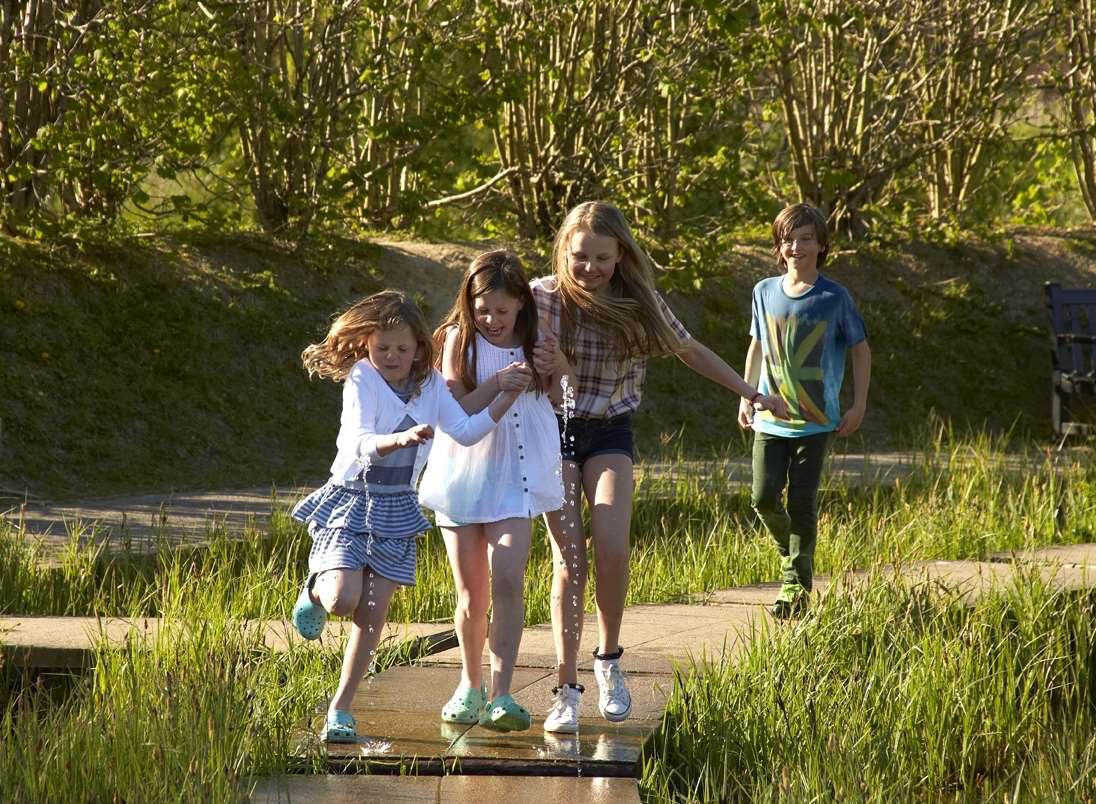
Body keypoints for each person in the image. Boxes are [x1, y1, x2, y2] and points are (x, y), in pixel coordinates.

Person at [530, 201, 789, 734]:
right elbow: (481, 327)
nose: (590, 269)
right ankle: (566, 686)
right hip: (550, 433)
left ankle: (608, 660)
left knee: (612, 540)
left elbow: (690, 350)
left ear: (620, 255)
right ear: (564, 252)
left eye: (602, 257)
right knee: (568, 559)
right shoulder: (542, 298)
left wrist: (751, 392)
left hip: (609, 432)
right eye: (580, 257)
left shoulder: (639, 303)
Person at [289, 290, 531, 743]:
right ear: (367, 345)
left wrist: (504, 392)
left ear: (421, 348)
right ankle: (313, 591)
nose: (392, 357)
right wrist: (396, 442)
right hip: (352, 497)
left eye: (402, 349)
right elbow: (360, 440)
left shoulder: (431, 385)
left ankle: (341, 709)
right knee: (343, 599)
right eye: (383, 348)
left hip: (397, 506)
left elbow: (465, 429)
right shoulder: (363, 377)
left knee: (373, 614)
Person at [419, 250, 565, 733]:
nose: (492, 319)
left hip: (516, 477)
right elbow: (456, 409)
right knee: (470, 592)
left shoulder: (538, 341)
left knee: (507, 577)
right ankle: (469, 683)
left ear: (522, 303)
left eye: (502, 310)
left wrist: (557, 368)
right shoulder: (458, 341)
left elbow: (560, 400)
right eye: (483, 309)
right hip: (463, 477)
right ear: (469, 303)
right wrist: (501, 386)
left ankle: (503, 694)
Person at [737, 202, 871, 619]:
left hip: (816, 422)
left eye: (806, 238)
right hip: (769, 419)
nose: (797, 246)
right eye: (788, 239)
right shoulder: (763, 291)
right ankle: (793, 555)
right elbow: (757, 346)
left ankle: (795, 585)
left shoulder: (835, 297)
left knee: (802, 502)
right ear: (779, 246)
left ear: (821, 244)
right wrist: (745, 394)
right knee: (762, 498)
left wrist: (859, 403)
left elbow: (861, 350)